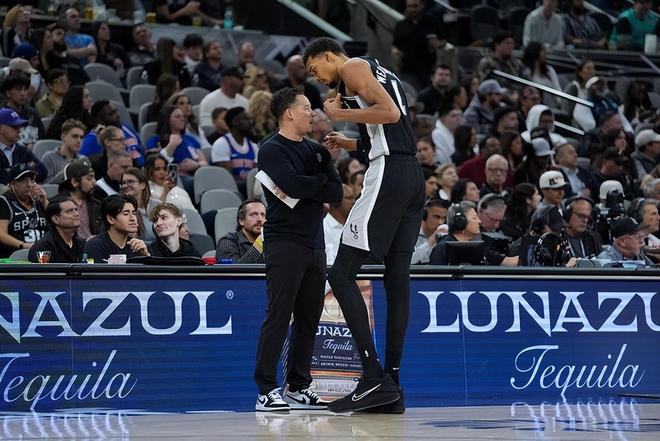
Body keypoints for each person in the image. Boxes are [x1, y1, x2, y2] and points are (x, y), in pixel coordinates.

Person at [304, 37, 425, 413]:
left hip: (388, 174)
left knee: (340, 273)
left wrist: (340, 114)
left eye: (314, 68)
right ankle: (393, 386)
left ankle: (373, 376)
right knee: (397, 280)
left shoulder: (353, 67)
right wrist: (350, 143)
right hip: (412, 175)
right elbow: (393, 132)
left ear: (328, 56)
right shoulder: (377, 68)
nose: (317, 77)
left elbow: (389, 114)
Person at [253, 87, 342, 411]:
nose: (312, 113)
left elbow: (336, 191)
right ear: (289, 113)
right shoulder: (271, 150)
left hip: (314, 242)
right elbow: (291, 186)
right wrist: (317, 183)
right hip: (284, 242)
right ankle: (266, 390)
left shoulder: (317, 150)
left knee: (309, 317)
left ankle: (299, 386)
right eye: (306, 107)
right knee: (278, 315)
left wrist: (312, 185)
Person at [429, 201, 518, 265]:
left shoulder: (477, 248)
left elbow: (508, 262)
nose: (479, 221)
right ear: (461, 222)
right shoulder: (442, 249)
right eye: (475, 218)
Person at [392, 0, 446, 89]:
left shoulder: (432, 22)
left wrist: (437, 44)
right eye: (410, 6)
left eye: (415, 6)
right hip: (407, 68)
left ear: (422, 5)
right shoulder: (401, 25)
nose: (412, 9)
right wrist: (396, 52)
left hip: (427, 67)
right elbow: (395, 44)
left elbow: (443, 41)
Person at [84, 194, 150, 263]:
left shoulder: (138, 246)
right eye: (126, 214)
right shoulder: (95, 246)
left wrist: (146, 256)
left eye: (133, 213)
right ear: (110, 219)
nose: (132, 218)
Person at [0, 166, 48, 258]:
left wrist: (44, 200)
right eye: (23, 181)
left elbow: (57, 221)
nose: (29, 185)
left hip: (43, 254)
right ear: (12, 184)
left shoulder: (39, 200)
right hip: (16, 256)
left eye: (32, 180)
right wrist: (23, 245)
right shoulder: (4, 202)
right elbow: (1, 234)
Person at [81, 100, 144, 166]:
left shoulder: (126, 128)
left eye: (115, 112)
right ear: (100, 120)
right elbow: (82, 162)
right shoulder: (92, 140)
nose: (117, 115)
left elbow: (141, 147)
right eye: (111, 114)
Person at [27, 197, 85, 263]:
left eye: (76, 210)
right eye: (69, 211)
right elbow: (41, 269)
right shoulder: (43, 247)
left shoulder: (81, 244)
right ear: (55, 219)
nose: (77, 214)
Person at [56, 158, 103, 240]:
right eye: (89, 178)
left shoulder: (97, 205)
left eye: (94, 177)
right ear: (75, 182)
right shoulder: (57, 206)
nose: (94, 182)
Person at [211, 107, 259, 186]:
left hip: (249, 187)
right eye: (246, 119)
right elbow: (227, 177)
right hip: (229, 188)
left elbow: (256, 175)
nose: (250, 122)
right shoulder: (221, 144)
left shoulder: (253, 146)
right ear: (235, 122)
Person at [0, 107, 47, 185]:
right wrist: (28, 168)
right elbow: (5, 180)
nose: (19, 130)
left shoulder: (22, 150)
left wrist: (19, 170)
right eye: (14, 126)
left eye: (19, 126)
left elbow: (43, 172)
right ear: (1, 128)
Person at [0, 70, 44, 150]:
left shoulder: (32, 114)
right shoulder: (2, 116)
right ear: (8, 93)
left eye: (25, 89)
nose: (23, 93)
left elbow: (42, 140)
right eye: (18, 89)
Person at [215, 198, 266, 264]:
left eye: (263, 215)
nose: (260, 219)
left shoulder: (270, 242)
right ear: (241, 220)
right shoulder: (228, 241)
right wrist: (259, 243)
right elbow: (235, 269)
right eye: (253, 214)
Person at [323, 184, 355, 265]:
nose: (353, 202)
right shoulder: (324, 228)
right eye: (349, 198)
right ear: (336, 201)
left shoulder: (353, 226)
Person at [412, 198, 448, 264]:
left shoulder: (444, 235)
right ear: (424, 215)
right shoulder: (413, 233)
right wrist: (430, 242)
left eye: (443, 218)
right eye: (437, 217)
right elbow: (410, 260)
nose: (441, 222)